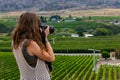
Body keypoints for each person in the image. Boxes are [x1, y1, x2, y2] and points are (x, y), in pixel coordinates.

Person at [11, 12, 55, 80]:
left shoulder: (15, 42)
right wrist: (45, 38)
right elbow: (51, 58)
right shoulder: (30, 44)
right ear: (33, 26)